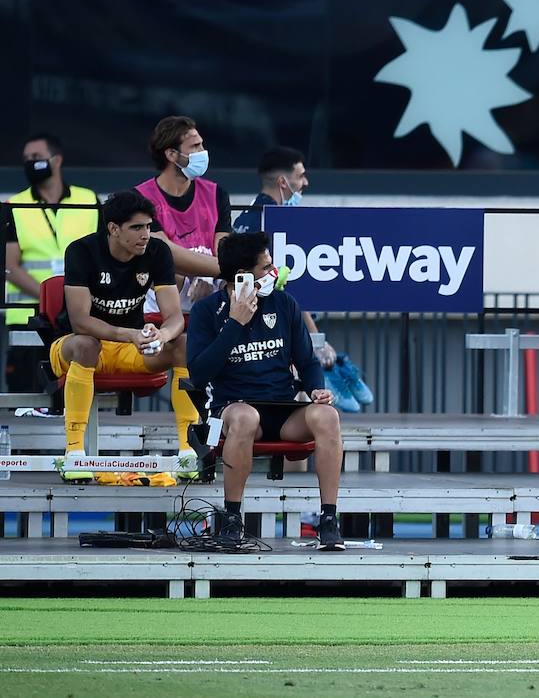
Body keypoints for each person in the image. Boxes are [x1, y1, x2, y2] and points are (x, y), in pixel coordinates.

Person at [187, 231, 344, 550]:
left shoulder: (284, 303)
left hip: (282, 410)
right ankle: (231, 518)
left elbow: (308, 362)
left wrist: (317, 390)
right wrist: (235, 323)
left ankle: (328, 518)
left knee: (328, 416)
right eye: (266, 267)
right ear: (242, 276)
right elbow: (199, 373)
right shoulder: (207, 311)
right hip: (233, 408)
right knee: (244, 418)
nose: (273, 273)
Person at [50, 191, 187, 481]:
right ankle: (74, 453)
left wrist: (161, 335)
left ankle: (187, 451)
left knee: (183, 345)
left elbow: (174, 317)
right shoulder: (82, 250)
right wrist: (131, 334)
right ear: (113, 228)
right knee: (87, 344)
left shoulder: (157, 252)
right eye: (137, 228)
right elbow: (80, 321)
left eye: (149, 226)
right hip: (74, 347)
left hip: (129, 348)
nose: (146, 234)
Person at [136, 115, 231, 458]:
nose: (204, 152)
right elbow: (165, 255)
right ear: (171, 155)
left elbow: (224, 247)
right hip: (155, 308)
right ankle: (189, 446)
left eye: (202, 144)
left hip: (206, 308)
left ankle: (205, 443)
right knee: (185, 347)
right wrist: (224, 270)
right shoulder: (142, 199)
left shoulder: (216, 193)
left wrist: (215, 275)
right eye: (196, 146)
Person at [230, 146, 339, 377]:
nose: (305, 183)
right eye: (300, 176)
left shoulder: (250, 214)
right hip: (267, 328)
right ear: (282, 181)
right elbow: (287, 286)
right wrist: (315, 339)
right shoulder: (271, 224)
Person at [4, 134, 99, 395]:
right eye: (25, 159)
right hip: (30, 318)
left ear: (56, 160)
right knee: (26, 397)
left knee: (77, 393)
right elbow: (9, 265)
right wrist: (54, 299)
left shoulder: (88, 200)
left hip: (80, 317)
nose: (29, 163)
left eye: (35, 157)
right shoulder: (14, 205)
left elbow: (105, 254)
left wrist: (72, 301)